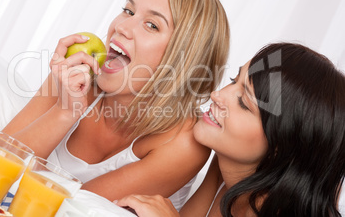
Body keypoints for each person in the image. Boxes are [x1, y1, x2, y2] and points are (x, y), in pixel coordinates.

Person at [0, 0, 230, 209]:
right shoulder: (77, 72)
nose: (121, 27)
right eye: (128, 11)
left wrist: (2, 148)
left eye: (151, 25)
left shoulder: (183, 142)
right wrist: (65, 112)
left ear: (181, 60)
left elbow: (70, 207)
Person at [116, 42, 345, 217]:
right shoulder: (227, 167)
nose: (217, 95)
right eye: (234, 80)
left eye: (244, 102)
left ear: (281, 145)